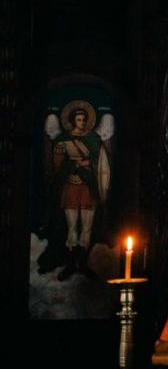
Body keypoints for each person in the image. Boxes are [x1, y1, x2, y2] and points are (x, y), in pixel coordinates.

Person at [40, 102, 112, 280]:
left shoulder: (93, 138)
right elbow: (57, 166)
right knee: (72, 227)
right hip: (70, 187)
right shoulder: (63, 140)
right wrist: (73, 165)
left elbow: (101, 163)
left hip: (88, 188)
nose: (82, 122)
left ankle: (83, 264)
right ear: (72, 121)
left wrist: (87, 163)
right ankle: (71, 264)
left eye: (84, 120)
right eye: (78, 119)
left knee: (87, 228)